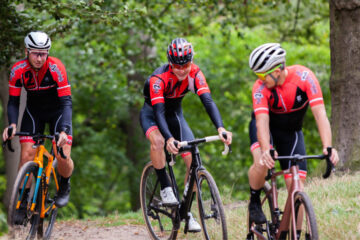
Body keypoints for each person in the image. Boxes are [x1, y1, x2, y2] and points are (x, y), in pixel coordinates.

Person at [140, 37, 232, 232]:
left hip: (175, 115)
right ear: (169, 63)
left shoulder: (195, 74)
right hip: (153, 114)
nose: (182, 70)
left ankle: (185, 212)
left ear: (192, 60)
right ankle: (165, 187)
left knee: (192, 159)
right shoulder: (158, 79)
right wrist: (169, 138)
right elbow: (158, 112)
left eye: (186, 65)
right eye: (176, 66)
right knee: (157, 142)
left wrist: (220, 128)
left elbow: (208, 101)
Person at [247, 43, 339, 226]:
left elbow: (320, 114)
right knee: (261, 162)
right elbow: (262, 122)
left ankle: (295, 232)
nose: (259, 79)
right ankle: (255, 199)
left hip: (291, 133)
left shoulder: (305, 78)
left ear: (277, 70)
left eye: (262, 74)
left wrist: (327, 147)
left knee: (295, 188)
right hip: (267, 131)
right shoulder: (260, 88)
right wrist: (266, 149)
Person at [2, 31, 74, 222]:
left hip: (58, 112)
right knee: (26, 155)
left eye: (44, 53)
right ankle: (23, 202)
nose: (40, 58)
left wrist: (64, 130)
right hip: (34, 113)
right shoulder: (18, 70)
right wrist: (12, 124)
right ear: (26, 51)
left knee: (62, 154)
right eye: (35, 53)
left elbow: (66, 102)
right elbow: (13, 102)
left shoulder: (56, 68)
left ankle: (65, 183)